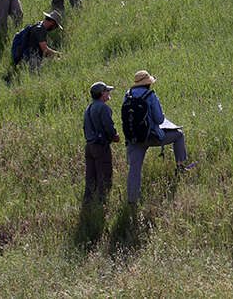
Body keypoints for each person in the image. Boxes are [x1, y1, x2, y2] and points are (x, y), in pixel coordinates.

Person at [124, 70, 196, 204]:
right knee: (179, 135)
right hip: (151, 136)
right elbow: (159, 118)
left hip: (133, 138)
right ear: (148, 83)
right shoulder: (150, 95)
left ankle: (132, 200)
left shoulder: (127, 96)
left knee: (135, 169)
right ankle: (180, 167)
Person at [83, 81, 120, 204]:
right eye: (107, 91)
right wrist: (115, 136)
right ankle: (102, 203)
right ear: (101, 94)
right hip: (100, 147)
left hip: (89, 146)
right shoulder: (103, 107)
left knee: (91, 177)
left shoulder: (89, 108)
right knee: (104, 175)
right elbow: (108, 127)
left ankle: (88, 203)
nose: (108, 93)